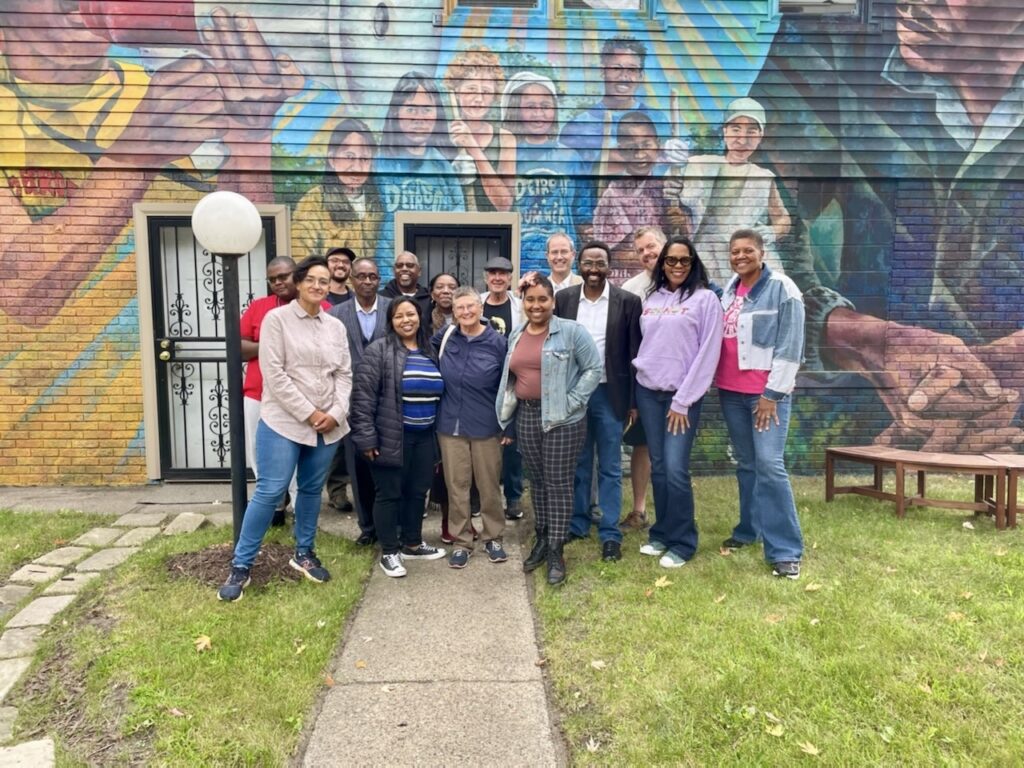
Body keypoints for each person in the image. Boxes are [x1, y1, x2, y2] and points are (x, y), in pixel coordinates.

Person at [750, 2, 1024, 453]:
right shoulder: (825, 43)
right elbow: (741, 230)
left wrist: (998, 376)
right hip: (838, 414)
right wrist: (853, 335)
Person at [218, 256, 352, 602]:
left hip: (327, 425)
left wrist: (336, 412)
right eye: (311, 280)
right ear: (298, 282)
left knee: (310, 490)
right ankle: (241, 565)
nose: (318, 286)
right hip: (284, 422)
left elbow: (344, 374)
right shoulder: (276, 320)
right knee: (270, 490)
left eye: (324, 281)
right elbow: (274, 375)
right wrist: (310, 414)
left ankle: (304, 553)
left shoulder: (335, 326)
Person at [497, 274, 601, 586]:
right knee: (537, 482)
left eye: (543, 299)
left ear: (553, 301)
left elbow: (593, 368)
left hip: (562, 420)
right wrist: (507, 415)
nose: (537, 305)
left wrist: (572, 402)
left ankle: (556, 549)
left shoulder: (570, 332)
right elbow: (513, 377)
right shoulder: (516, 334)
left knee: (558, 484)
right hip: (527, 417)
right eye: (530, 299)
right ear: (523, 303)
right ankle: (542, 537)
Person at [716, 228, 805, 580]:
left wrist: (772, 395)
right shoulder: (729, 289)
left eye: (747, 250)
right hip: (730, 391)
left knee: (769, 464)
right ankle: (748, 530)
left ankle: (784, 551)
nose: (740, 256)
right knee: (747, 464)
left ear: (762, 252)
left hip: (764, 395)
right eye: (735, 251)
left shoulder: (783, 288)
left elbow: (790, 346)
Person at [633, 237, 723, 569]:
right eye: (671, 261)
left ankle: (684, 542)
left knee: (675, 468)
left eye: (684, 261)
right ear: (663, 264)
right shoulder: (652, 297)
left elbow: (708, 353)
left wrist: (683, 400)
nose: (677, 266)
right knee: (658, 466)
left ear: (693, 263)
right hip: (648, 393)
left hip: (680, 397)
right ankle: (662, 533)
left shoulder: (705, 299)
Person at [555, 241, 642, 562]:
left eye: (600, 263)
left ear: (609, 266)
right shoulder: (563, 300)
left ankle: (609, 532)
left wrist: (632, 401)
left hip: (610, 394)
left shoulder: (628, 302)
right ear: (580, 265)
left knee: (609, 465)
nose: (594, 269)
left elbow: (634, 353)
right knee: (578, 462)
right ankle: (578, 523)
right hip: (574, 393)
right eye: (588, 263)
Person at [350, 297, 447, 578]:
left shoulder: (430, 350)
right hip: (391, 435)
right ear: (390, 322)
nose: (406, 320)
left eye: (411, 314)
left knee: (417, 492)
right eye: (399, 316)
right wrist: (367, 438)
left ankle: (413, 543)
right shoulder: (378, 350)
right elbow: (363, 397)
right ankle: (390, 551)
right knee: (389, 494)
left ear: (420, 317)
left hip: (425, 435)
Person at [662, 97, 791, 284]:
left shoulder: (762, 177)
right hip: (706, 257)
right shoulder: (699, 164)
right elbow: (671, 188)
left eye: (751, 132)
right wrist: (673, 162)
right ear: (725, 131)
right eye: (735, 129)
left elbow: (782, 218)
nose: (742, 139)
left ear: (760, 137)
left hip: (745, 260)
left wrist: (771, 232)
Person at [433, 287, 509, 568]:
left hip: (486, 425)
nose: (466, 312)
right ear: (453, 312)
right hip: (450, 424)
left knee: (488, 485)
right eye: (460, 308)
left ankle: (493, 538)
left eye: (471, 307)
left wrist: (507, 425)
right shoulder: (445, 337)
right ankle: (462, 540)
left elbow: (507, 385)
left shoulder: (497, 342)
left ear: (481, 309)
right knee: (457, 486)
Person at [501, 72, 595, 271]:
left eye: (545, 107)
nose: (538, 114)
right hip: (518, 264)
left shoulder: (570, 157)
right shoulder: (507, 156)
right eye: (530, 107)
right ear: (516, 111)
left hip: (562, 266)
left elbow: (583, 216)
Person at [328, 258, 392, 546]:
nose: (367, 281)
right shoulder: (336, 314)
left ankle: (391, 524)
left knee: (389, 468)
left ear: (379, 279)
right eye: (361, 276)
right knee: (358, 467)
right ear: (351, 280)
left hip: (388, 401)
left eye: (373, 277)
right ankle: (367, 528)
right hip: (350, 403)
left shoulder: (393, 308)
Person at [374, 71, 465, 265]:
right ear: (396, 112)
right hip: (386, 274)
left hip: (434, 271)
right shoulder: (379, 164)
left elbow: (460, 222)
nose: (419, 118)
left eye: (426, 109)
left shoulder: (443, 167)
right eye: (411, 109)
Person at [240, 256, 301, 524]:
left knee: (300, 453)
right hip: (258, 392)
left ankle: (301, 508)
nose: (278, 282)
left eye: (283, 276)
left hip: (301, 395)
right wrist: (274, 342)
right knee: (259, 452)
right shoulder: (258, 307)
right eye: (273, 279)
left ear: (296, 276)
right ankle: (275, 506)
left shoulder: (315, 305)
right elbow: (240, 348)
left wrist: (263, 344)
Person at [559, 36, 670, 172]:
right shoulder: (577, 128)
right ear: (603, 71)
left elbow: (667, 174)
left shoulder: (658, 121)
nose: (624, 76)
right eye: (616, 68)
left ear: (641, 75)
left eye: (632, 69)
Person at [618, 226, 666, 530]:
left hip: (676, 379)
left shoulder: (688, 284)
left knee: (672, 449)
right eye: (641, 250)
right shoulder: (632, 288)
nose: (647, 253)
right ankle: (639, 510)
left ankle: (671, 512)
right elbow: (625, 337)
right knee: (643, 445)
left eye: (652, 247)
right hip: (642, 380)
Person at [291, 119, 384, 262]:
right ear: (332, 159)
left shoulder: (378, 203)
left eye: (365, 159)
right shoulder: (313, 203)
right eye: (349, 157)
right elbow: (301, 261)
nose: (357, 168)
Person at [480, 256, 526, 520]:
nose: (497, 278)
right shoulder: (477, 303)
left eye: (503, 274)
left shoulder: (519, 306)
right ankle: (481, 496)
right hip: (482, 381)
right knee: (482, 439)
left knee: (512, 443)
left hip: (512, 378)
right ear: (486, 277)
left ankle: (514, 496)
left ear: (510, 278)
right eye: (492, 273)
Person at [443, 46, 516, 212]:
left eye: (486, 92)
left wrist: (474, 149)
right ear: (456, 91)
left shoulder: (505, 139)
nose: (479, 99)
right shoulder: (441, 136)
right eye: (471, 90)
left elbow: (505, 204)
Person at [593, 112, 670, 258]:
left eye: (646, 145)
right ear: (621, 150)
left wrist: (679, 221)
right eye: (631, 148)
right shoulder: (613, 194)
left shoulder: (668, 188)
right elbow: (611, 250)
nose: (639, 155)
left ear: (658, 145)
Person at [380, 251, 432, 322]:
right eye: (399, 266)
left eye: (410, 265)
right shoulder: (381, 298)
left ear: (419, 271)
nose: (404, 269)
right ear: (394, 271)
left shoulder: (429, 299)